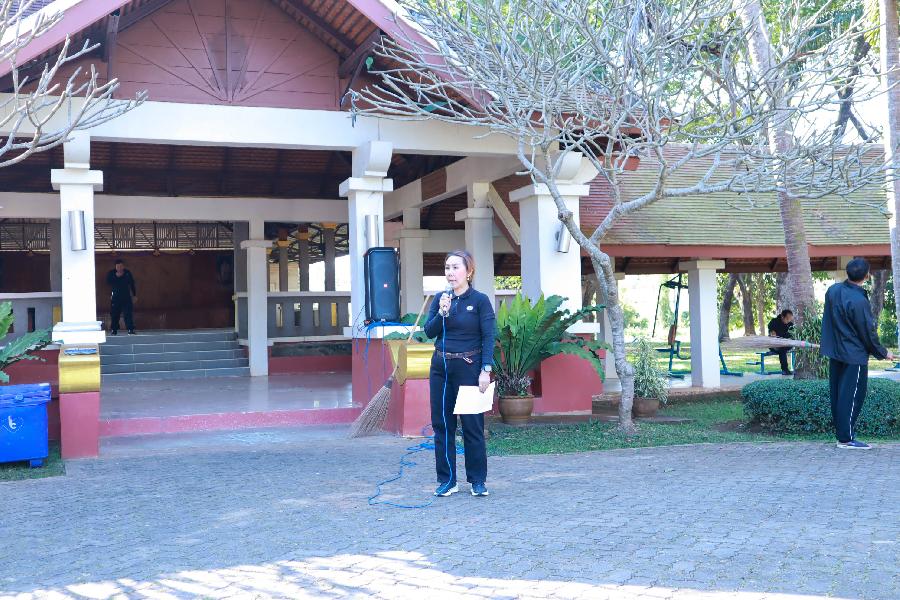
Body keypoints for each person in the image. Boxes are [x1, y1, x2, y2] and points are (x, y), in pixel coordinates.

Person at [423, 250, 495, 497]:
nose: (450, 273)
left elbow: (489, 336)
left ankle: (477, 480)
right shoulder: (440, 299)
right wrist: (442, 312)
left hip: (469, 368)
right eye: (447, 268)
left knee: (472, 426)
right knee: (442, 425)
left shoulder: (480, 300)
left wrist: (485, 370)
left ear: (469, 271)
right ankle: (447, 480)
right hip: (441, 368)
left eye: (455, 267)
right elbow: (429, 332)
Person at [820, 257, 894, 449]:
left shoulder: (833, 291)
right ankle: (846, 439)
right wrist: (883, 352)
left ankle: (842, 435)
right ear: (867, 275)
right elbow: (867, 332)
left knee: (839, 395)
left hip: (836, 352)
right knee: (852, 397)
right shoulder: (859, 300)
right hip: (854, 356)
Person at [106, 258, 137, 335]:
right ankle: (114, 330)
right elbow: (108, 282)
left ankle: (130, 329)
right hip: (115, 297)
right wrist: (116, 276)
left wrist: (134, 295)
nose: (119, 268)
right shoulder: (111, 273)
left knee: (128, 314)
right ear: (115, 267)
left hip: (126, 297)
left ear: (123, 266)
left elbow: (132, 284)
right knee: (114, 314)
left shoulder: (127, 273)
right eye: (117, 266)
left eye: (121, 266)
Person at [767, 309, 795, 376]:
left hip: (786, 345)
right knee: (782, 350)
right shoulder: (774, 321)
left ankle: (786, 370)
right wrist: (772, 333)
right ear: (782, 316)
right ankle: (785, 370)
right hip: (774, 345)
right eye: (787, 319)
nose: (789, 321)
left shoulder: (790, 325)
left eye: (790, 319)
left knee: (783, 349)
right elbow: (771, 331)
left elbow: (792, 335)